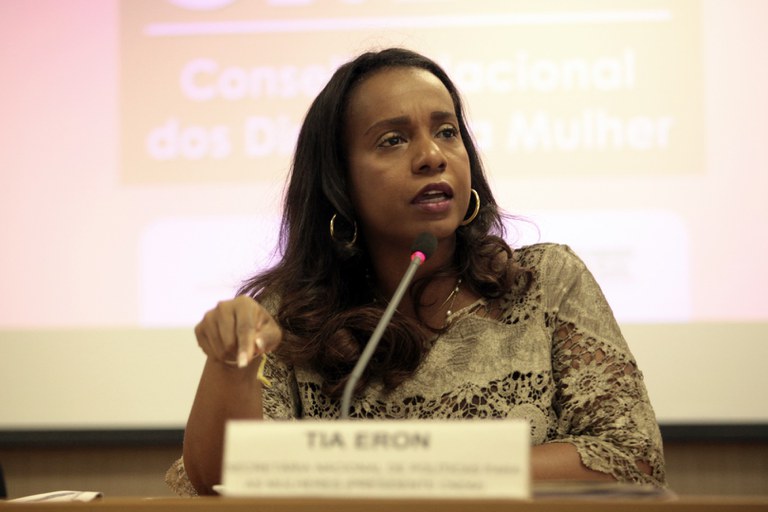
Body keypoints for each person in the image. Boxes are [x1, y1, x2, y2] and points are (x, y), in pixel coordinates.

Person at [165, 47, 666, 496]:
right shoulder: (291, 317)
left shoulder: (543, 283)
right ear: (340, 181)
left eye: (447, 132)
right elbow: (222, 482)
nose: (431, 156)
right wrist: (229, 364)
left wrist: (418, 467)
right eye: (392, 140)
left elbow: (630, 457)